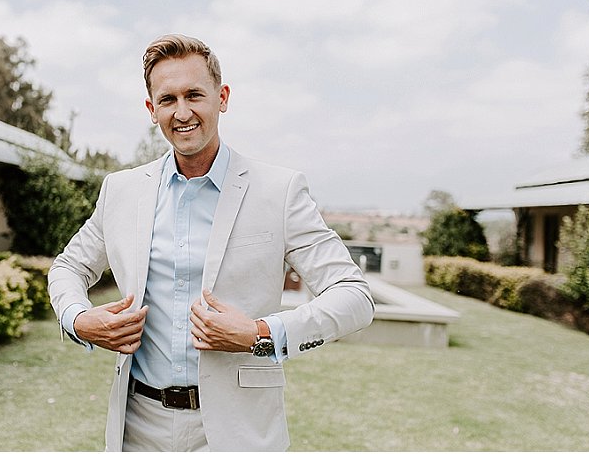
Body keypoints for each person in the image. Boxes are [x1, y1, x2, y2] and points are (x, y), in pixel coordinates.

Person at [48, 34, 374, 452]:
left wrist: (260, 333)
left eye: (194, 95)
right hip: (137, 429)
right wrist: (77, 319)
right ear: (152, 109)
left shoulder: (279, 191)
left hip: (238, 433)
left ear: (222, 98)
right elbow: (69, 266)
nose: (182, 112)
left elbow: (354, 297)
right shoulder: (121, 191)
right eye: (168, 100)